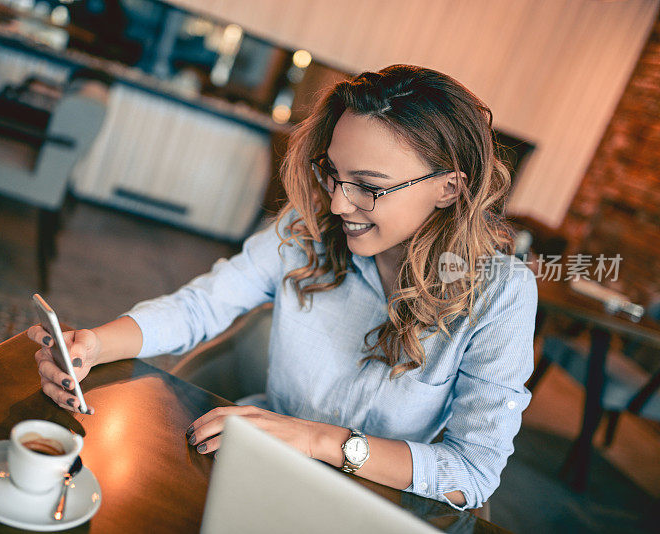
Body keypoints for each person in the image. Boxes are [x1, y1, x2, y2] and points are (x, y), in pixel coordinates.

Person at [27, 64, 537, 511]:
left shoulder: (500, 295)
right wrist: (95, 344)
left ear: (449, 186)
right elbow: (202, 305)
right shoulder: (306, 229)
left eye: (369, 186)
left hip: (366, 505)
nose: (338, 204)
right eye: (333, 174)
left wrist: (317, 440)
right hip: (250, 463)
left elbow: (471, 473)